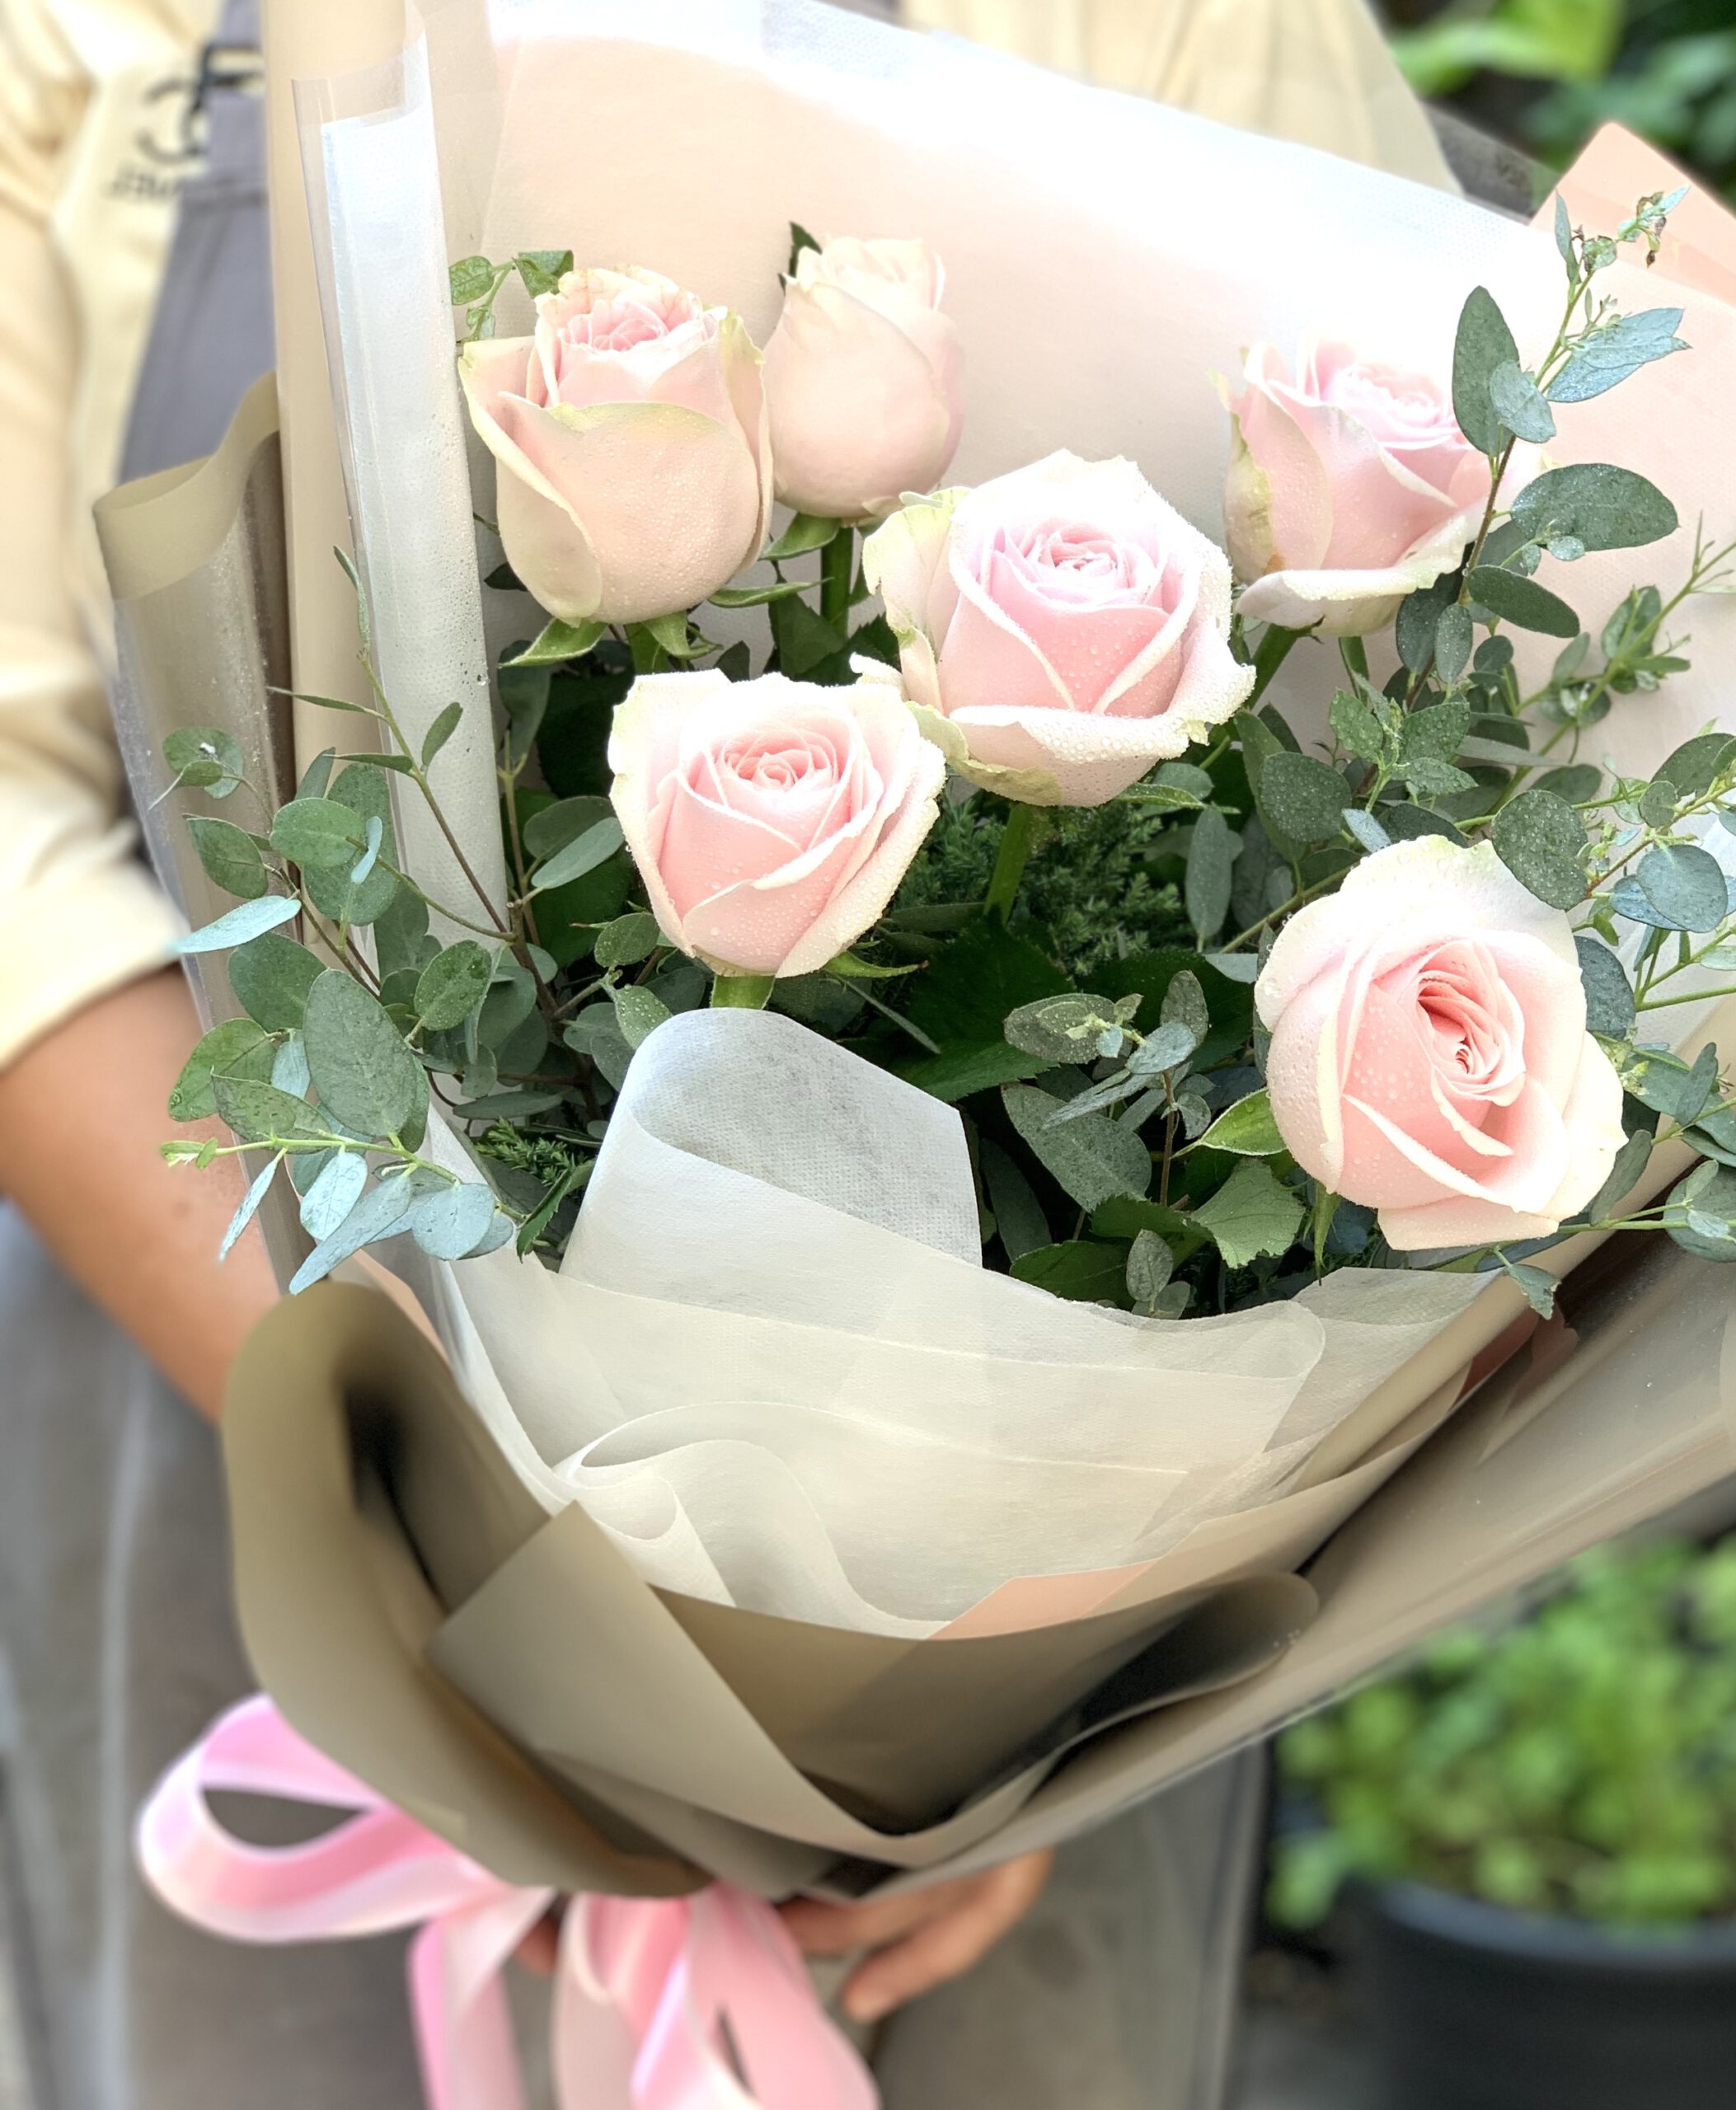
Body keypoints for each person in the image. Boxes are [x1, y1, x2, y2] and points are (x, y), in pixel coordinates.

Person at [0, 0, 1438, 2103]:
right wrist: (471, 1564)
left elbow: (1403, 734)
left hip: (1024, 1611)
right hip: (263, 1416)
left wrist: (987, 1680)